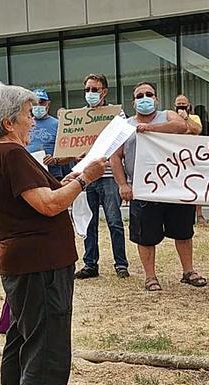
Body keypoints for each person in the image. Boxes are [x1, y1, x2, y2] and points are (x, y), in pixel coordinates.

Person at [0, 80, 107, 385]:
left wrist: (72, 179)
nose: (32, 121)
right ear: (7, 121)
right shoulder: (12, 155)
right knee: (45, 345)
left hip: (22, 261)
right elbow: (49, 205)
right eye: (26, 114)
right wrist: (85, 178)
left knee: (20, 339)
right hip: (41, 264)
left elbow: (40, 194)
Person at [111, 82, 207, 291]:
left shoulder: (168, 116)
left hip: (174, 187)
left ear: (156, 99)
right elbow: (116, 157)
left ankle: (188, 271)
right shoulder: (124, 126)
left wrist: (150, 129)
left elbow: (181, 127)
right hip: (143, 189)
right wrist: (122, 184)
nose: (144, 98)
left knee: (183, 231)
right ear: (133, 101)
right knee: (145, 235)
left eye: (149, 94)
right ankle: (150, 276)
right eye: (139, 95)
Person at [74, 74, 129, 280]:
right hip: (87, 176)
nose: (90, 94)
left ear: (104, 91)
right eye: (87, 89)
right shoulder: (79, 117)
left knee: (114, 221)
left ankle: (121, 264)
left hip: (108, 175)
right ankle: (90, 264)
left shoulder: (117, 114)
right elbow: (74, 144)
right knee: (89, 222)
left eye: (94, 90)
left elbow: (120, 142)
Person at [25, 88, 74, 181]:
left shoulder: (58, 124)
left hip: (53, 175)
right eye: (36, 103)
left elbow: (70, 153)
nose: (39, 105)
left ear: (48, 104)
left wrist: (55, 160)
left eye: (42, 102)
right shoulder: (25, 123)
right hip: (30, 173)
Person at [174, 94, 207, 223]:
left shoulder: (194, 117)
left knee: (196, 184)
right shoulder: (170, 117)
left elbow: (197, 130)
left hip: (193, 157)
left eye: (184, 104)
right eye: (179, 104)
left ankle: (199, 214)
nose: (181, 106)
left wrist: (186, 118)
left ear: (188, 106)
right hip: (176, 157)